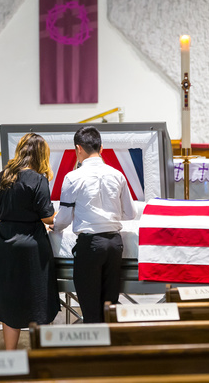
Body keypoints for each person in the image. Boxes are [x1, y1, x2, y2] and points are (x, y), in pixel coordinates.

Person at [52, 126, 137, 323]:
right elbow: (131, 213)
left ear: (78, 149)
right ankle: (111, 351)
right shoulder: (117, 175)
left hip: (90, 246)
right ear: (101, 148)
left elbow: (63, 218)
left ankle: (94, 351)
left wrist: (54, 226)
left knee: (91, 308)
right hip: (115, 245)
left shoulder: (73, 177)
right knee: (110, 307)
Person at [0, 133, 60, 350]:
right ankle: (41, 354)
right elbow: (47, 217)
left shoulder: (0, 177)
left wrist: (9, 221)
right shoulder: (38, 179)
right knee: (40, 301)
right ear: (41, 155)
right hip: (32, 246)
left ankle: (11, 356)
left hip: (5, 245)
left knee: (10, 301)